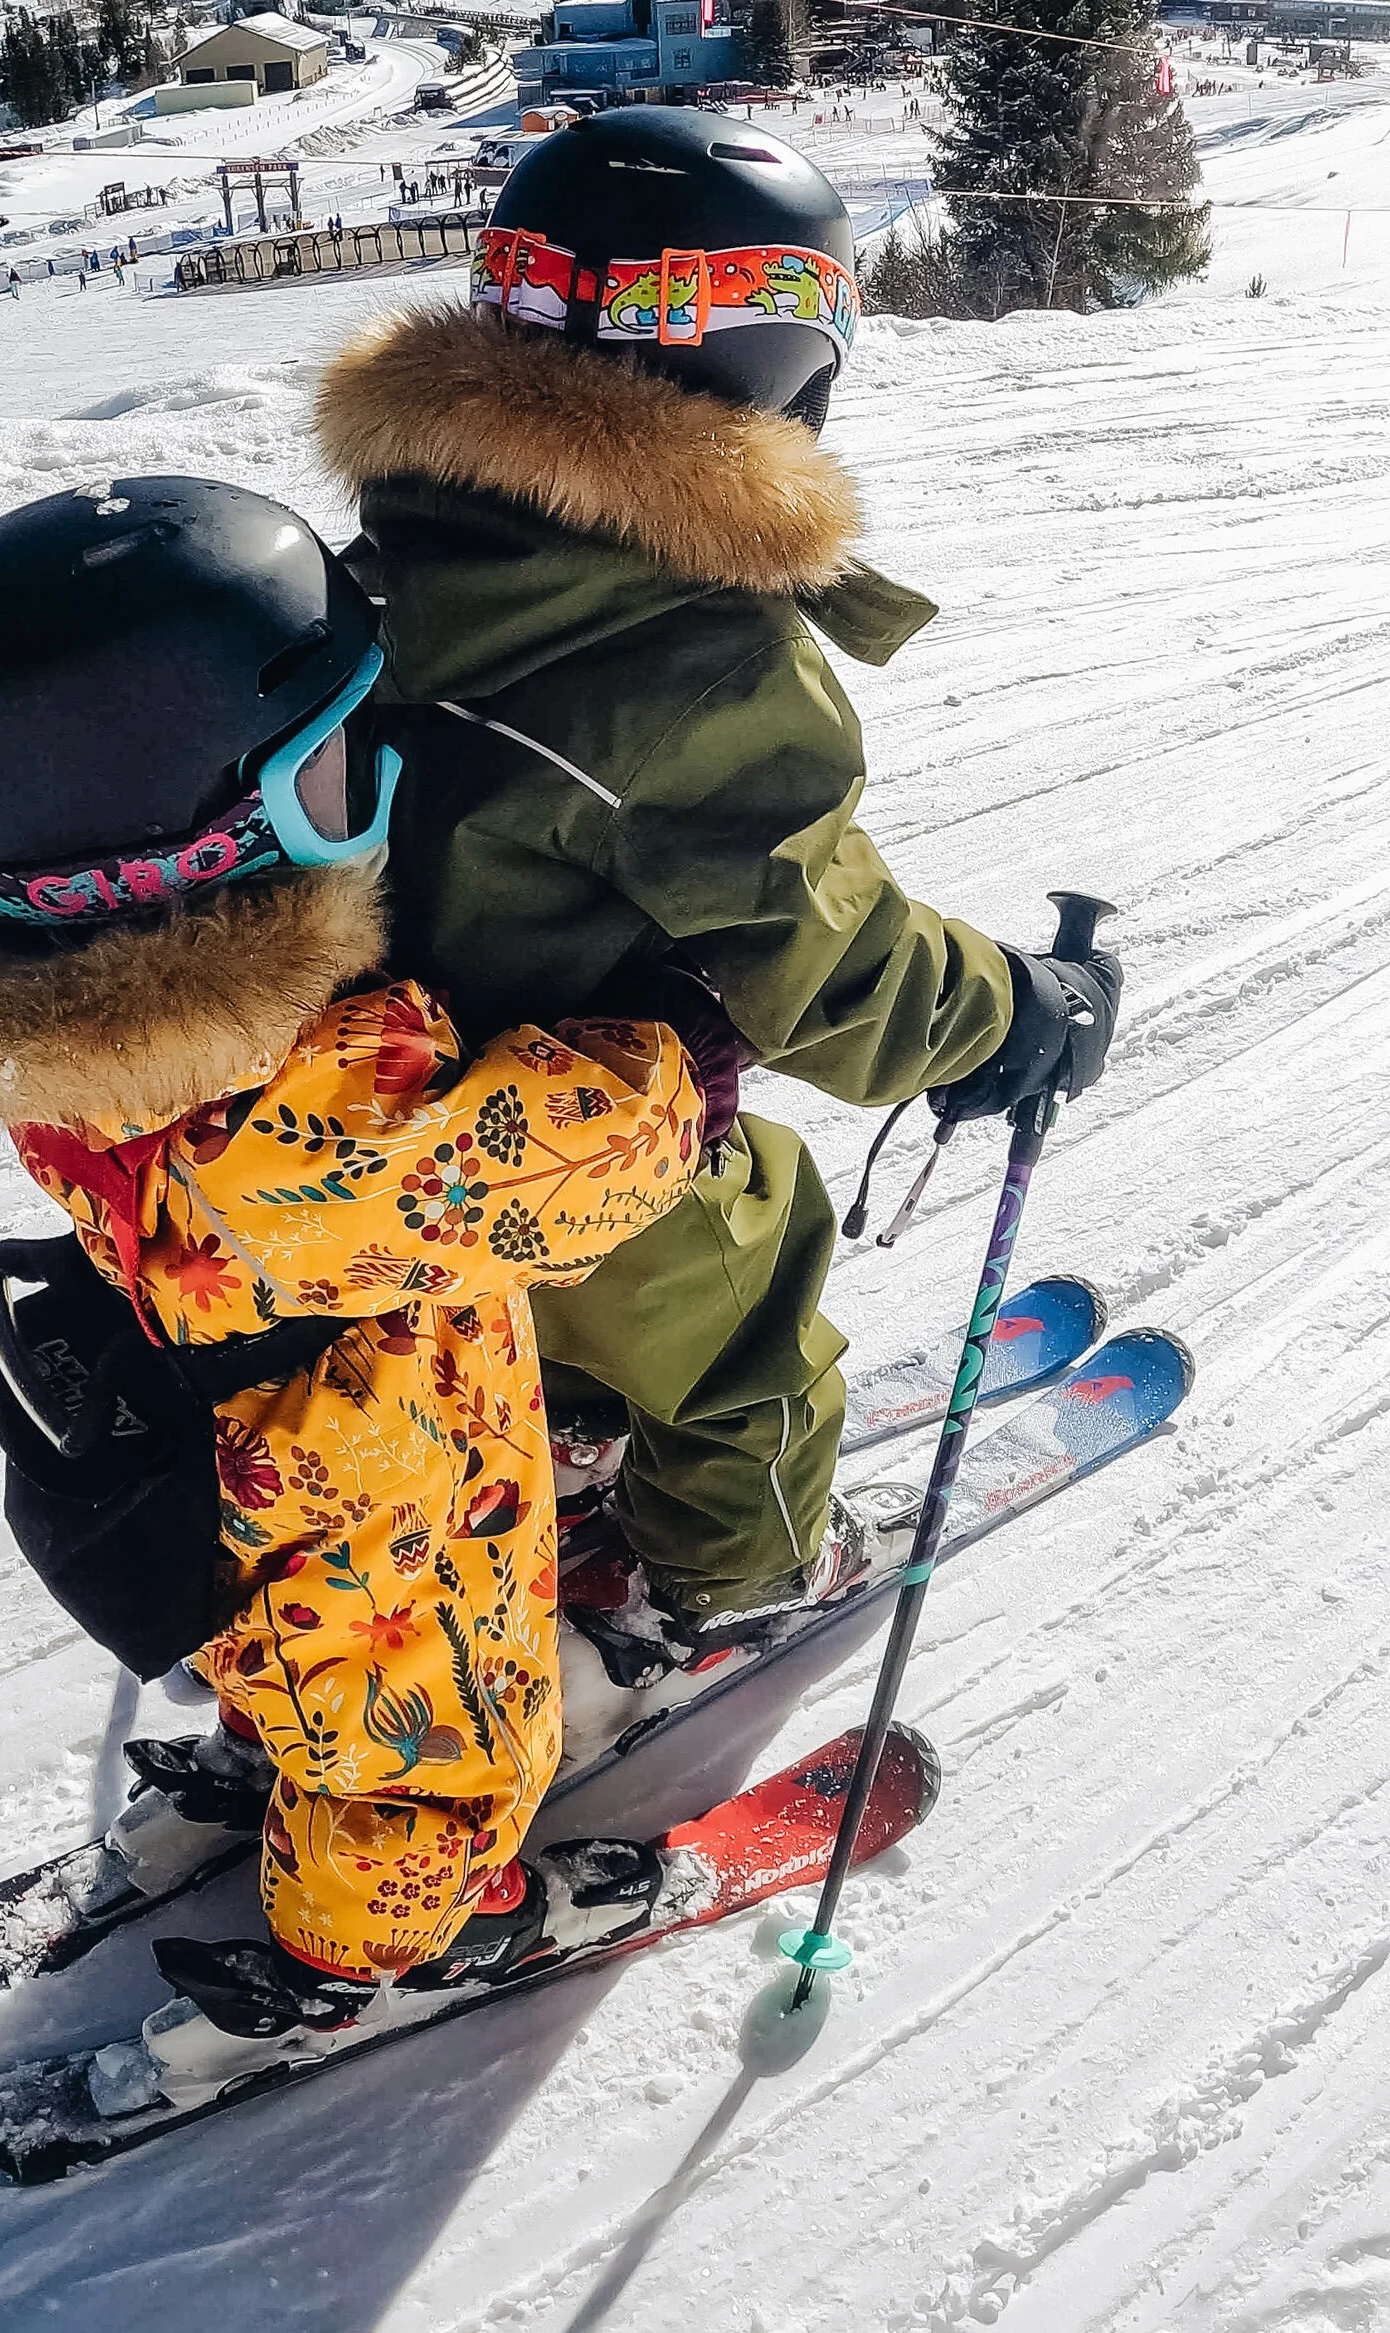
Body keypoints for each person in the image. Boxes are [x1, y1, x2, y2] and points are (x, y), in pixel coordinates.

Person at [0, 478, 703, 2078]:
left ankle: (267, 1743)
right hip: (384, 1504)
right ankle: (395, 1936)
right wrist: (690, 1053)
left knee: (290, 1661)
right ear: (210, 845)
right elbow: (574, 1164)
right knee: (431, 1745)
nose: (387, 783)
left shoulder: (75, 1048)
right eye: (342, 766)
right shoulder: (312, 1124)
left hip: (236, 1463)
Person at [314, 107, 1120, 1755]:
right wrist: (1017, 1016)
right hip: (572, 1141)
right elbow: (831, 970)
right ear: (768, 357)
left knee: (546, 1301)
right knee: (746, 1315)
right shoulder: (685, 658)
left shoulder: (397, 551)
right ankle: (733, 1582)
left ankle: (555, 1433)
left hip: (344, 1121)